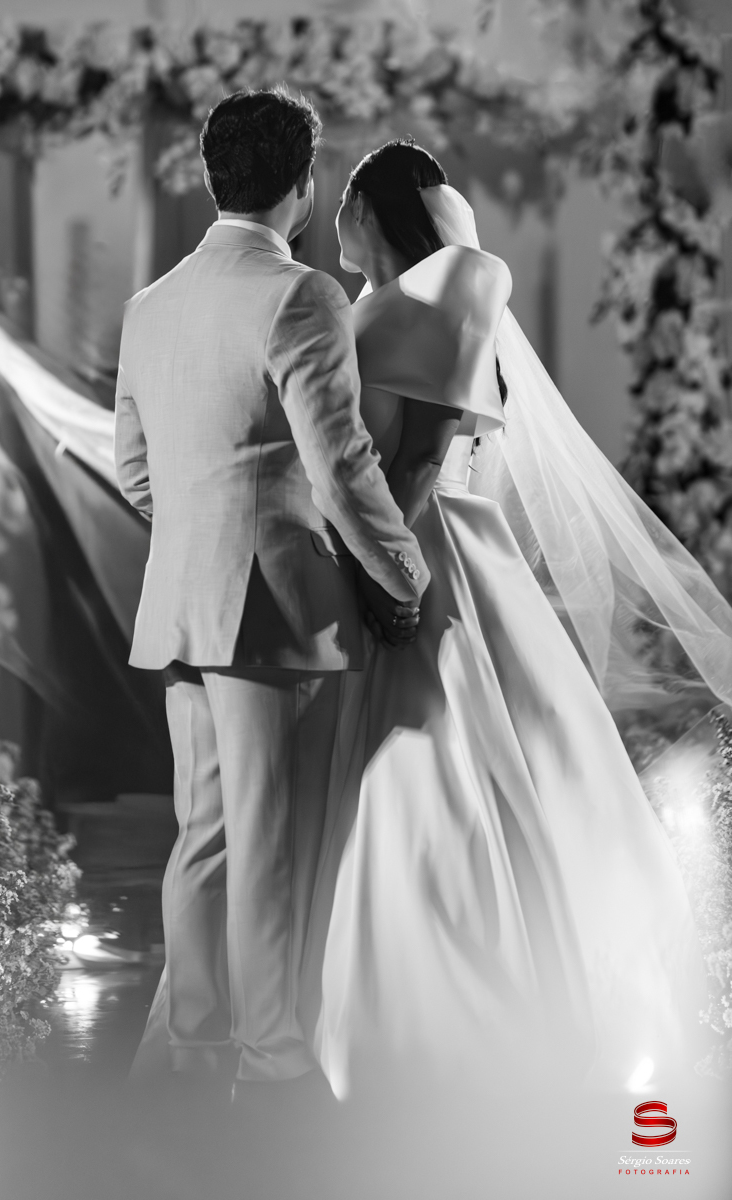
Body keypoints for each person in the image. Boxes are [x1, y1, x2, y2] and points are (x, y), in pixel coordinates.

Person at [300, 140, 732, 1100]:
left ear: (370, 207)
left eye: (345, 200)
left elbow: (421, 455)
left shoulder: (447, 287)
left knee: (432, 772)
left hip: (421, 549)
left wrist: (389, 572)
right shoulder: (371, 305)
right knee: (409, 770)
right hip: (388, 548)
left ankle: (446, 1017)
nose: (332, 218)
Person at [115, 92, 429, 1096]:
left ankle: (195, 1055)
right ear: (303, 183)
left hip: (181, 601)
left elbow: (135, 474)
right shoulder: (300, 295)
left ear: (215, 179)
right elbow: (340, 468)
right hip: (271, 605)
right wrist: (405, 574)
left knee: (203, 836)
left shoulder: (151, 304)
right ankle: (274, 1067)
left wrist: (200, 534)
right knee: (267, 840)